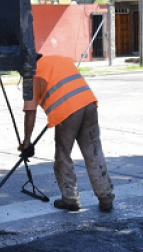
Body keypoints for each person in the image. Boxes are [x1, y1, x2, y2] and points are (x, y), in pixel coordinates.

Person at [20, 54, 115, 212]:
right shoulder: (60, 58)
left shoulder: (31, 76)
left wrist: (27, 142)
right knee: (94, 152)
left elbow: (30, 113)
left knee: (63, 156)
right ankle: (105, 197)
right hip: (89, 104)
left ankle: (70, 199)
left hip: (68, 113)